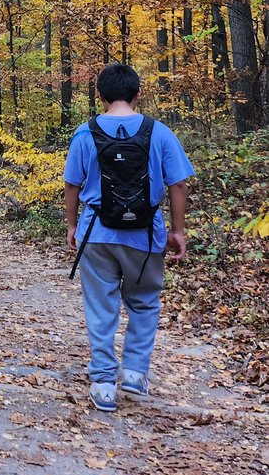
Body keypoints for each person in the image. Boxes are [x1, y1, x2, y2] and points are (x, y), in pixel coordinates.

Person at [63, 62, 194, 412]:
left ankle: (104, 383)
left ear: (100, 95)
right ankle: (135, 373)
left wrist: (72, 225)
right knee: (145, 302)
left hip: (97, 233)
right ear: (138, 94)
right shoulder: (159, 132)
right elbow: (177, 184)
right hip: (146, 236)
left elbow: (72, 185)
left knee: (101, 306)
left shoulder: (84, 133)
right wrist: (177, 231)